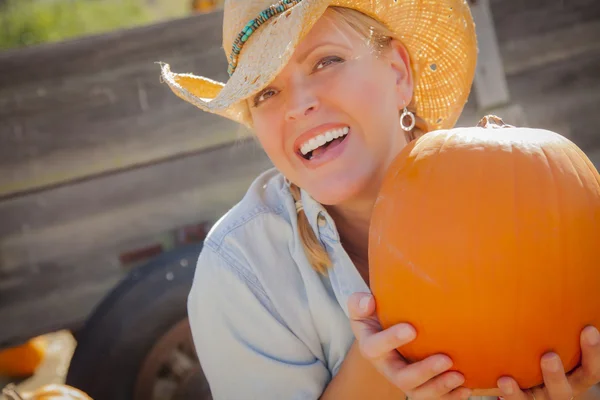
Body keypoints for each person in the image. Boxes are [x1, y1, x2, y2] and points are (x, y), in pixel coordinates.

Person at [159, 0, 600, 399]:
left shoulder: (527, 193)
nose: (298, 105)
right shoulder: (241, 268)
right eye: (266, 92)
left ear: (398, 72)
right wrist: (380, 373)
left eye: (325, 61)